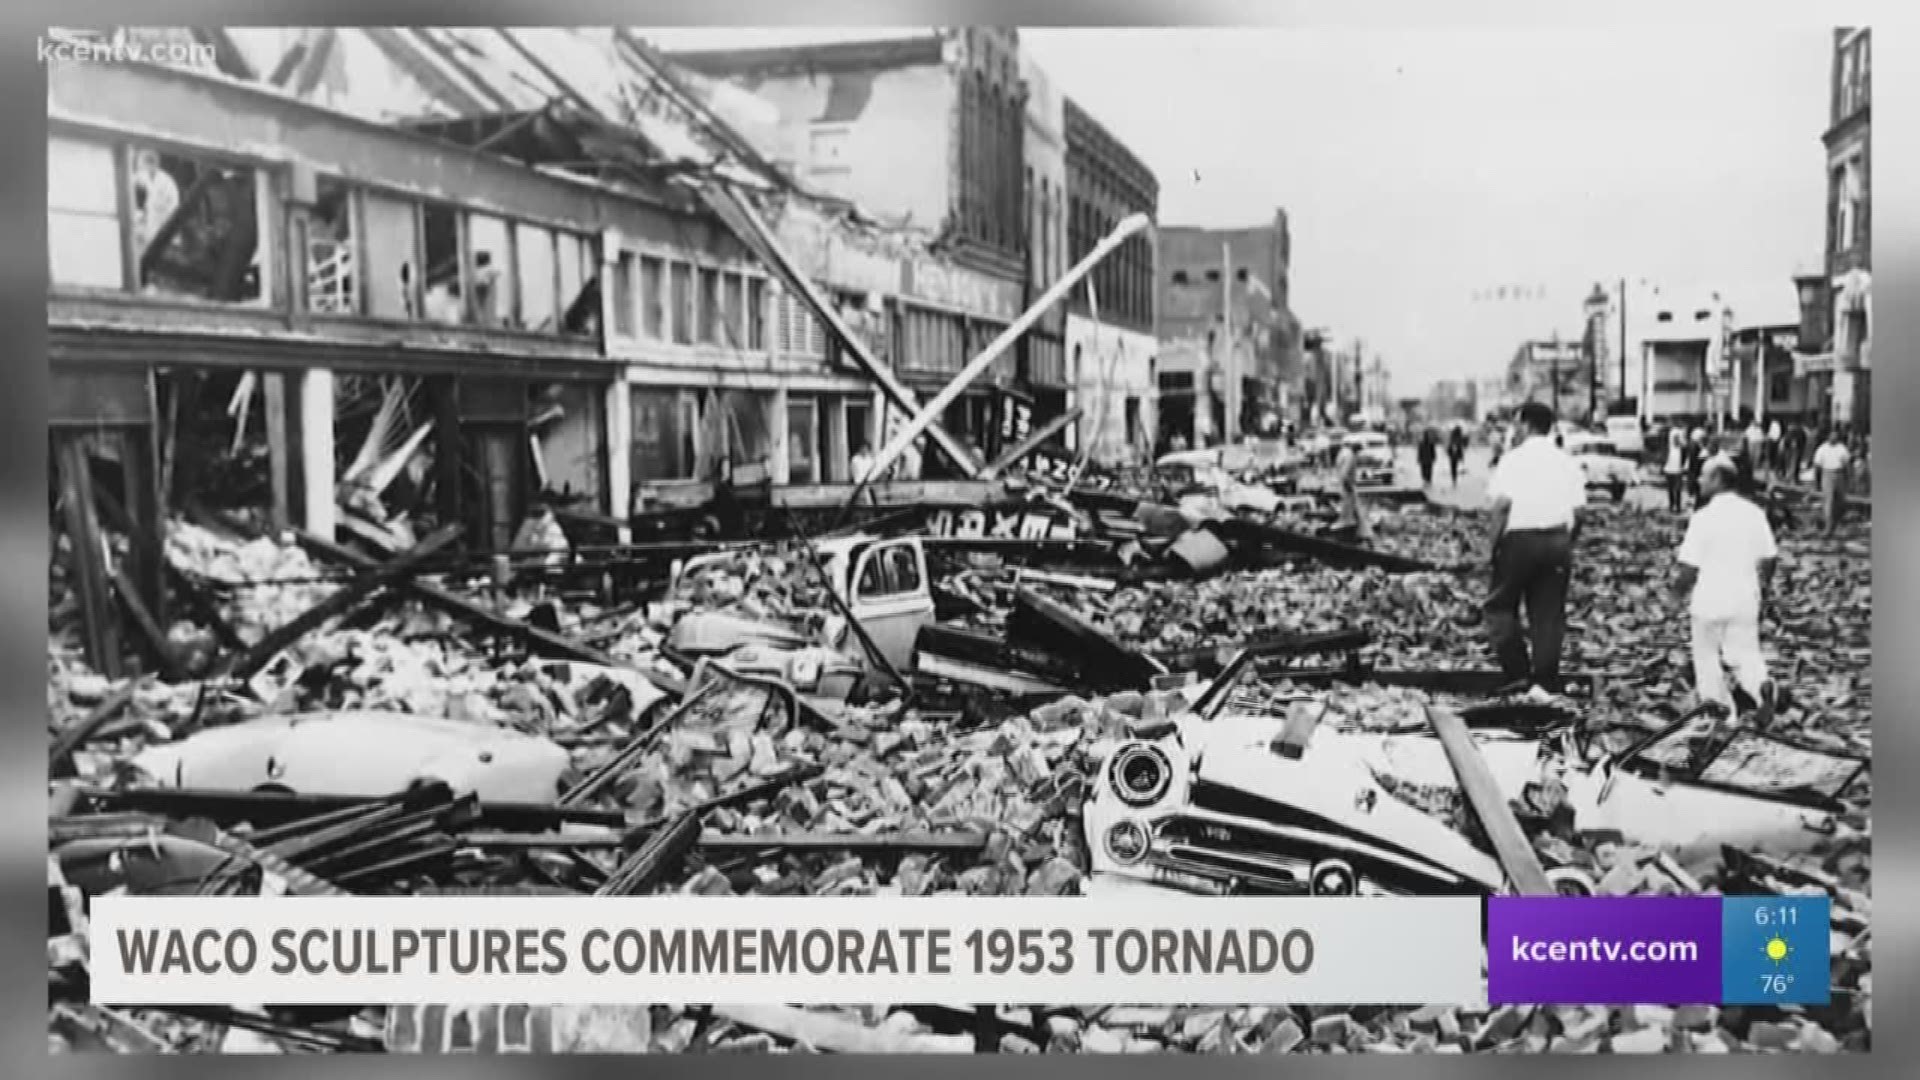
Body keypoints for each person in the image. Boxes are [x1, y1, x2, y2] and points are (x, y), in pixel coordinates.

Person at [1482, 402, 1586, 699]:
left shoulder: (1512, 460)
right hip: (1557, 540)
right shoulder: (1567, 462)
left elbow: (1501, 506)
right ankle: (1544, 681)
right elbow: (1580, 513)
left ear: (1525, 425)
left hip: (1519, 541)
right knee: (1549, 614)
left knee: (1499, 606)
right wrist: (1567, 542)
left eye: (1517, 424)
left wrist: (1491, 547)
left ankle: (1517, 674)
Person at [1674, 458, 1779, 726]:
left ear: (1718, 480)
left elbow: (1689, 567)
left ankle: (1721, 714)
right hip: (1745, 596)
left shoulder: (1703, 517)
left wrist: (1676, 593)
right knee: (1746, 653)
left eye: (1704, 476)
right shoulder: (1754, 513)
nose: (1698, 481)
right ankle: (1760, 688)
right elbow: (1769, 558)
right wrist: (1763, 587)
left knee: (1707, 657)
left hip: (1710, 598)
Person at [1334, 438, 1376, 542]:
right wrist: (1349, 487)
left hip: (1343, 486)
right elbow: (1345, 473)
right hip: (1347, 486)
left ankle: (1359, 532)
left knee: (1351, 510)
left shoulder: (1342, 453)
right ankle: (1358, 534)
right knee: (1350, 511)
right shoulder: (1350, 456)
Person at [1812, 430, 1852, 536]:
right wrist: (1816, 481)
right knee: (1828, 501)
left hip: (1839, 474)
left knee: (1840, 501)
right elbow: (1817, 466)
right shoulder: (1822, 449)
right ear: (1828, 437)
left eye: (1836, 436)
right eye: (1832, 436)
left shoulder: (1842, 448)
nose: (1833, 438)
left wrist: (1848, 479)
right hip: (1827, 474)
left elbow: (1847, 464)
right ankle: (1828, 527)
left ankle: (1839, 525)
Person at [1662, 431, 1688, 513]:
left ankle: (1678, 507)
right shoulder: (1669, 448)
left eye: (1677, 438)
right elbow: (1664, 459)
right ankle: (1671, 505)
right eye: (1674, 438)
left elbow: (1686, 458)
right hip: (1668, 471)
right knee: (1670, 490)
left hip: (1678, 471)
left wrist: (1684, 468)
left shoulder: (1682, 449)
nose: (1676, 440)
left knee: (1677, 490)